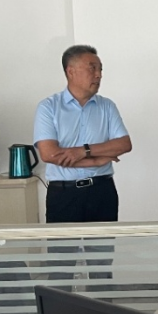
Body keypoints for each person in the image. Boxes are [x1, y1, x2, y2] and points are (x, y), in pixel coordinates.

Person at [34, 45, 132, 223]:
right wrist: (95, 161)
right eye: (92, 68)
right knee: (63, 242)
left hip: (102, 191)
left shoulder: (107, 106)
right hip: (64, 194)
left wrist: (83, 151)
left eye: (100, 69)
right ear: (70, 71)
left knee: (103, 241)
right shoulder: (48, 107)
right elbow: (49, 154)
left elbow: (124, 144)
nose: (98, 75)